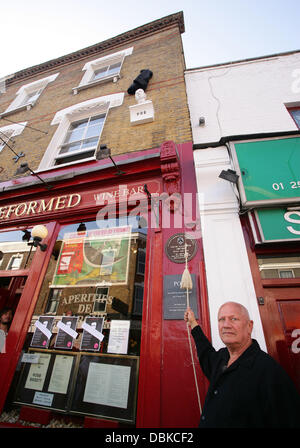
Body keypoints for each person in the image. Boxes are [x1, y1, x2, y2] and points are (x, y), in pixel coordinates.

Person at [184, 301, 300, 428]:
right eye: (221, 319)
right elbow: (206, 352)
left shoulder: (269, 372)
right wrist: (193, 324)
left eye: (234, 319)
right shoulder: (221, 358)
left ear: (249, 326)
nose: (226, 325)